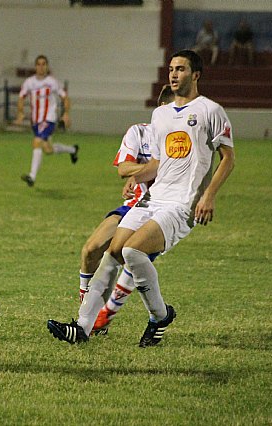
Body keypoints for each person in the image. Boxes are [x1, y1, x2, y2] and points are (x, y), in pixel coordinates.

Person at [48, 49, 235, 347]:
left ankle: (159, 316)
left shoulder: (210, 111)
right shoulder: (159, 114)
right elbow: (158, 164)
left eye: (181, 69)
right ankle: (81, 327)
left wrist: (208, 196)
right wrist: (137, 177)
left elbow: (228, 158)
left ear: (196, 74)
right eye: (171, 69)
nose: (174, 74)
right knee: (113, 254)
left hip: (182, 203)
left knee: (133, 252)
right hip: (152, 199)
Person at [78, 85, 175, 336]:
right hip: (135, 204)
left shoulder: (181, 141)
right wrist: (148, 169)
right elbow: (123, 168)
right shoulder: (139, 133)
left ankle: (112, 318)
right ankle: (87, 311)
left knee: (127, 257)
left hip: (161, 211)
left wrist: (144, 169)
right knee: (91, 249)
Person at [13, 55, 78, 187]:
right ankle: (72, 150)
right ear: (35, 66)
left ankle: (32, 176)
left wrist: (66, 113)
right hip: (36, 121)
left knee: (36, 142)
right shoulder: (29, 82)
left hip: (49, 119)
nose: (41, 67)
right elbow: (21, 98)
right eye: (39, 64)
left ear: (47, 66)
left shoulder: (52, 82)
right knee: (47, 149)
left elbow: (65, 97)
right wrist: (20, 113)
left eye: (44, 64)